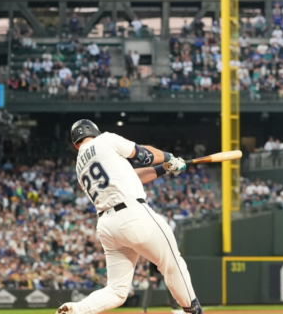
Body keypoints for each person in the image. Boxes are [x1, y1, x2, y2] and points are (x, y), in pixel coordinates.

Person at [55, 120, 202, 314]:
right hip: (133, 214)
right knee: (173, 263)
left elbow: (131, 175)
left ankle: (76, 310)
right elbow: (145, 155)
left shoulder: (80, 165)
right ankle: (193, 311)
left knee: (116, 291)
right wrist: (169, 157)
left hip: (107, 226)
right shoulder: (105, 139)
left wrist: (165, 168)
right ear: (95, 131)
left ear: (76, 144)